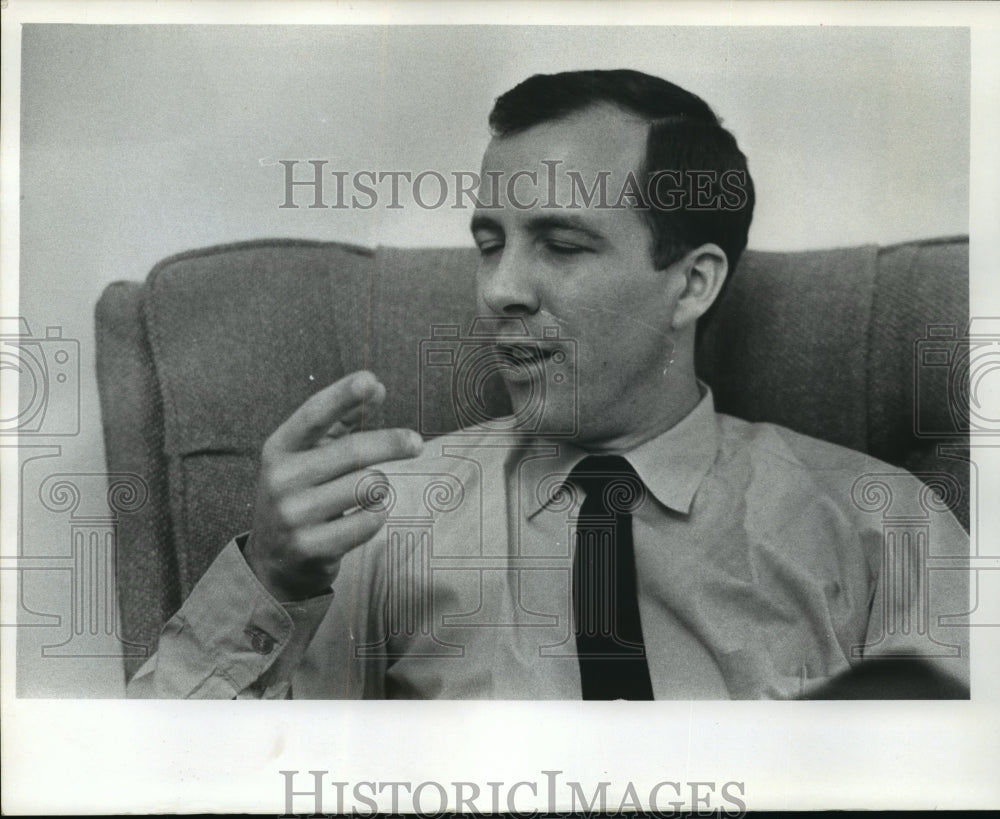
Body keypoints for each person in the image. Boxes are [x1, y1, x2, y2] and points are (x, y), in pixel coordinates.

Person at [127, 69, 969, 699]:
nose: (500, 290)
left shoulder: (881, 525)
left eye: (562, 246)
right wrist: (268, 579)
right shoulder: (382, 520)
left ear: (692, 283)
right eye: (489, 243)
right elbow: (149, 775)